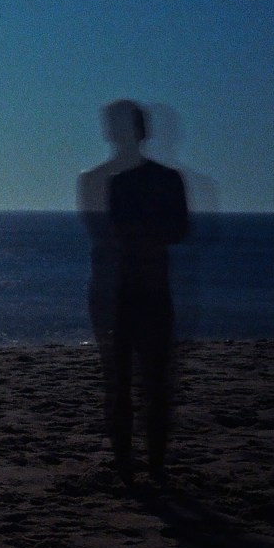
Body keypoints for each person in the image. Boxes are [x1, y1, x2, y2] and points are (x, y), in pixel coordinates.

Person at [78, 100, 189, 482]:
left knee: (147, 382)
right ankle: (132, 465)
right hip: (119, 291)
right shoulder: (100, 180)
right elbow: (106, 231)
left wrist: (138, 231)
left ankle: (148, 466)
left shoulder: (159, 179)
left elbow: (177, 229)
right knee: (124, 381)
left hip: (142, 290)